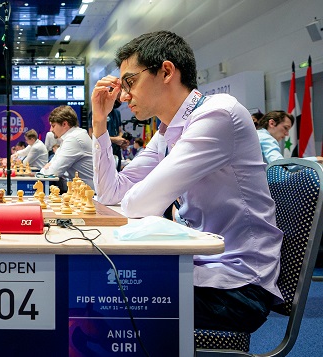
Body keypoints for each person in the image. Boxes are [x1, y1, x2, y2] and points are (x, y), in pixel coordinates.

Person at [91, 30, 282, 334]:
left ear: (166, 71)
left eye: (130, 82)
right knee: (97, 287)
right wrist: (99, 123)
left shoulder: (218, 114)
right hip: (200, 266)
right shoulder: (168, 131)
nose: (124, 96)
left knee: (101, 296)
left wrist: (135, 197)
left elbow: (138, 204)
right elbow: (110, 192)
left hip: (239, 286)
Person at [39, 105, 94, 188]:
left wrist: (44, 170)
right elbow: (53, 162)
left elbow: (53, 172)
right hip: (84, 191)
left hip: (91, 195)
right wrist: (50, 166)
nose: (51, 130)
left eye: (53, 126)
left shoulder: (73, 139)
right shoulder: (73, 136)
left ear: (65, 124)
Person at [256, 110, 323, 164]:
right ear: (272, 123)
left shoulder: (257, 135)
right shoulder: (266, 138)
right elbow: (279, 164)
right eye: (285, 128)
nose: (287, 134)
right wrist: (316, 159)